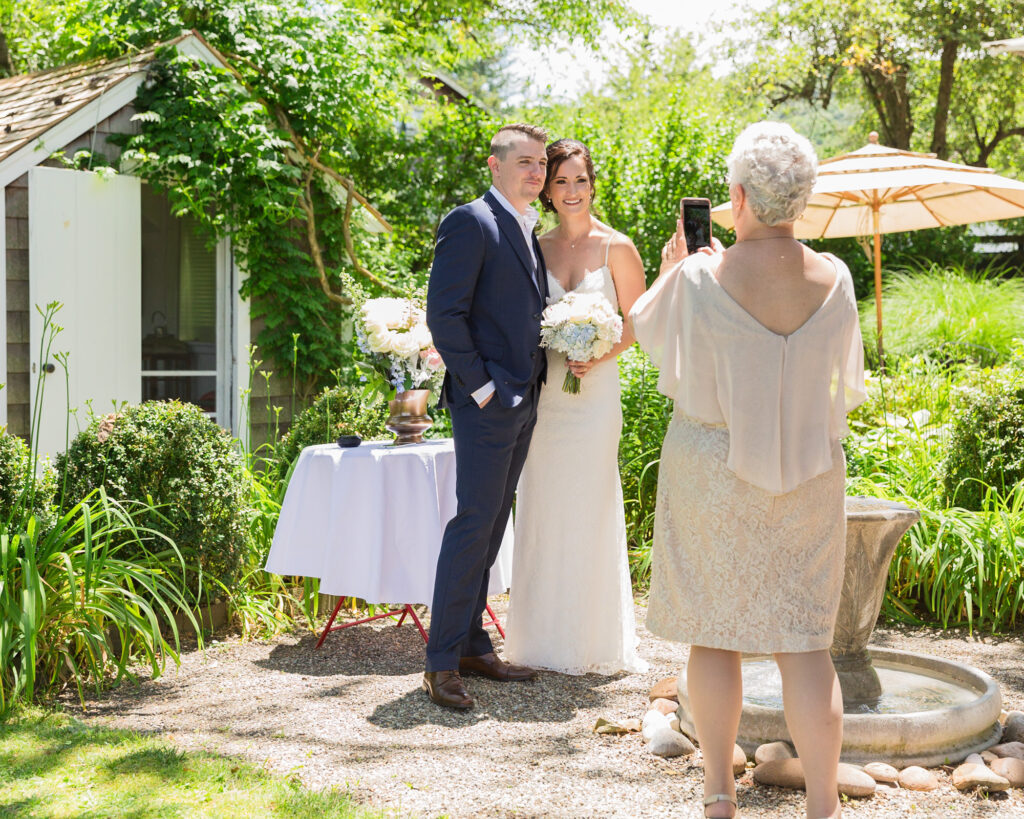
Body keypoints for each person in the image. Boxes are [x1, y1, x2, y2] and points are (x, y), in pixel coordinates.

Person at [629, 122, 866, 819]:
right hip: (810, 472)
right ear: (801, 198)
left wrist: (675, 266)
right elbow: (841, 379)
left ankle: (719, 793)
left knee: (714, 628)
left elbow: (643, 328)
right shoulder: (838, 276)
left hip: (711, 471)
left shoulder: (702, 276)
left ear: (738, 196)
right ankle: (823, 804)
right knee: (805, 642)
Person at [503, 138, 649, 675]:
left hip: (594, 397)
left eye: (579, 180)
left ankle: (591, 639)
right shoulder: (533, 248)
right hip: (544, 398)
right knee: (541, 501)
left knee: (588, 504)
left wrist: (601, 352)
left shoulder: (618, 248)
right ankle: (540, 639)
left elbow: (637, 319)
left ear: (593, 184)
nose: (571, 191)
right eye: (560, 181)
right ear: (546, 189)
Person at [423, 123, 550, 710]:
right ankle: (440, 663)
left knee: (494, 524)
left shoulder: (526, 227)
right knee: (473, 525)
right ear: (494, 166)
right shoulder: (470, 221)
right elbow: (445, 316)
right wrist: (481, 391)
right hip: (489, 404)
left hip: (524, 400)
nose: (536, 172)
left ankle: (473, 643)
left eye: (541, 164)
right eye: (524, 162)